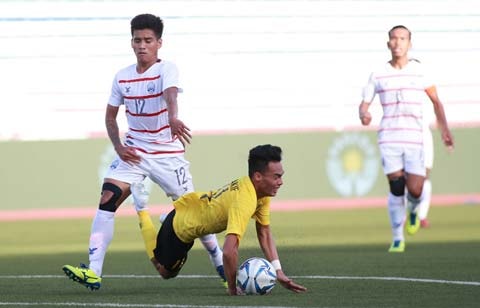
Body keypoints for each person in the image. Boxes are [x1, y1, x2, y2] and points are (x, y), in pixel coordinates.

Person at [62, 13, 224, 290]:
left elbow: (171, 94)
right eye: (137, 40)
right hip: (135, 153)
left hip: (167, 154)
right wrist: (118, 147)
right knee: (108, 199)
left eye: (148, 40)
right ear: (131, 42)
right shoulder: (122, 77)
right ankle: (94, 271)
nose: (142, 45)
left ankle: (222, 266)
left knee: (195, 216)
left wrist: (174, 118)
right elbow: (111, 117)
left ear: (159, 43)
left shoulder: (166, 69)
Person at [136, 144, 307, 295]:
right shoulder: (244, 200)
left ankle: (165, 218)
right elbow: (228, 251)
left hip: (193, 210)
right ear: (258, 177)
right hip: (181, 228)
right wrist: (232, 288)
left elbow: (264, 233)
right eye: (276, 177)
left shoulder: (261, 193)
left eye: (281, 176)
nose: (281, 182)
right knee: (165, 272)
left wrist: (278, 271)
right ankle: (142, 208)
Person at [358, 25, 454, 253]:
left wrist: (444, 130)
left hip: (415, 138)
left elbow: (436, 102)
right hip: (389, 138)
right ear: (388, 43)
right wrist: (364, 114)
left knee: (416, 189)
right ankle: (397, 237)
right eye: (394, 38)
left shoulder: (421, 72)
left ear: (410, 44)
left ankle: (413, 210)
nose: (398, 42)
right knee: (396, 187)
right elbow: (364, 104)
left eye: (402, 38)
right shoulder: (378, 75)